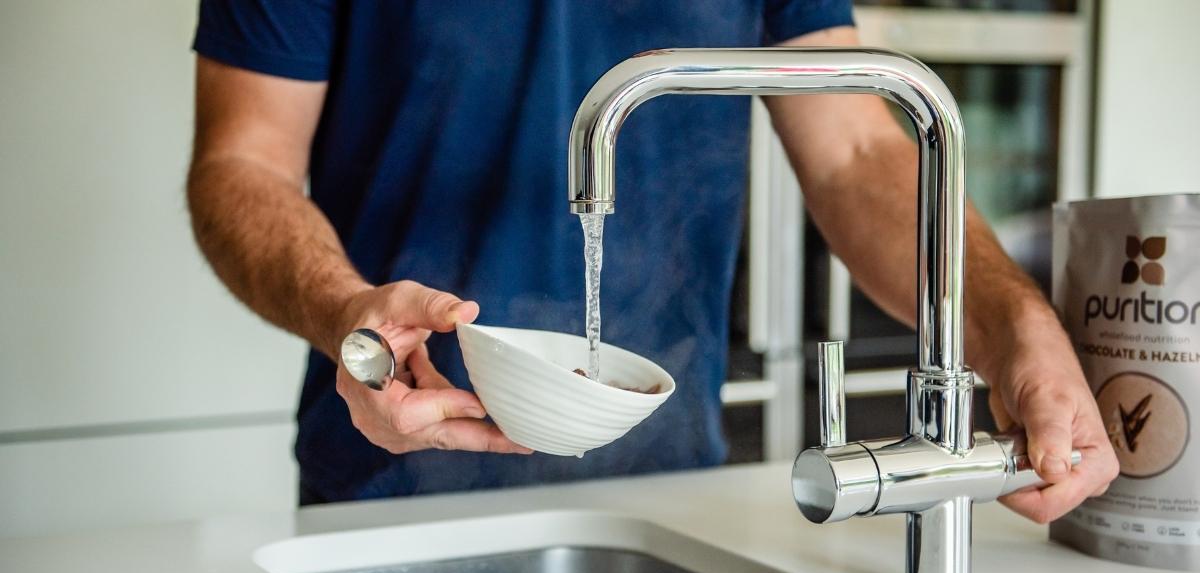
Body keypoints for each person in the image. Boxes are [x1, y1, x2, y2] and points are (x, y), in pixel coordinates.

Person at [187, 0, 1117, 522]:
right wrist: (348, 315)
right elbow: (243, 163)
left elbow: (856, 152)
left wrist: (1012, 325)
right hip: (388, 479)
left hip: (673, 492)